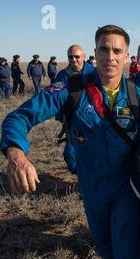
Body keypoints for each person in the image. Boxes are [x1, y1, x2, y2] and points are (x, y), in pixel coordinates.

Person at [0, 24, 140, 259]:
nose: (110, 56)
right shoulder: (70, 90)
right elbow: (19, 117)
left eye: (117, 50)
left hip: (126, 190)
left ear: (127, 56)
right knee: (106, 246)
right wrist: (16, 153)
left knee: (128, 249)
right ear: (95, 52)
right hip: (92, 188)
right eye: (104, 49)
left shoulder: (139, 100)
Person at [56, 45, 96, 175]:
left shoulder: (94, 72)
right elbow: (55, 98)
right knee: (70, 155)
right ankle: (81, 175)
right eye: (70, 57)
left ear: (83, 57)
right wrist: (61, 117)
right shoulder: (62, 75)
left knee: (93, 153)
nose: (73, 60)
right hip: (72, 120)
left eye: (77, 56)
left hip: (92, 120)